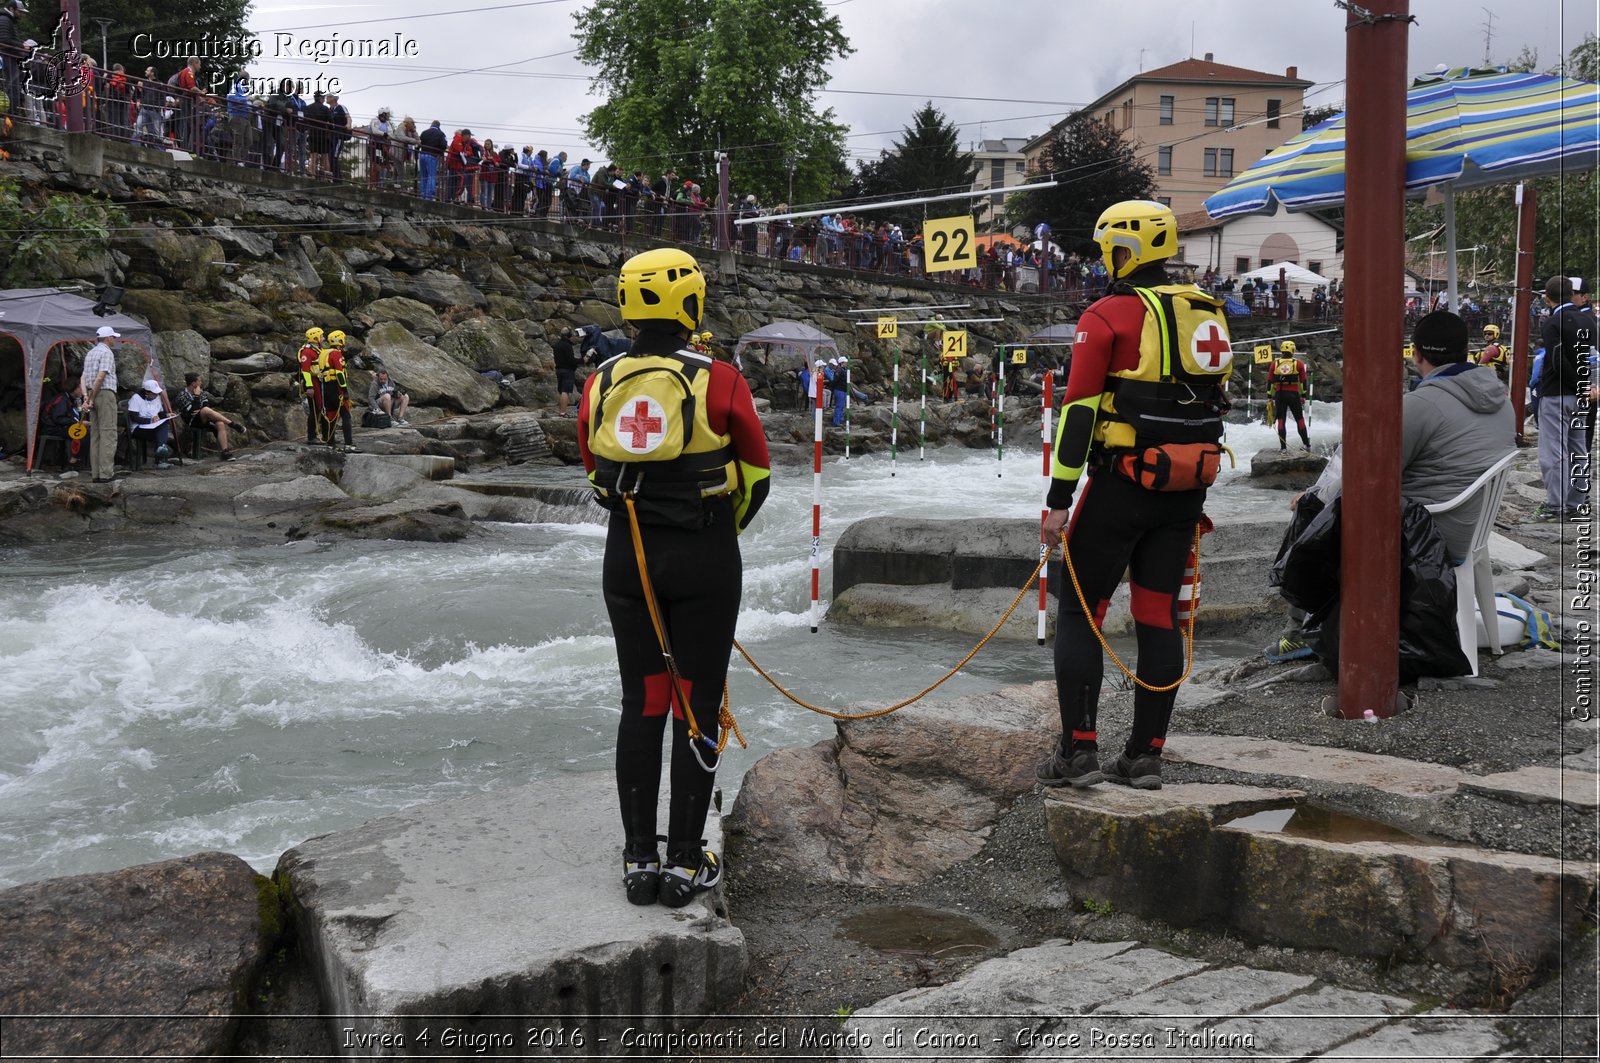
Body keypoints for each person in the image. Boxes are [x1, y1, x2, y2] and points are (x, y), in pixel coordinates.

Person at [578, 247, 770, 908]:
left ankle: (639, 859)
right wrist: (718, 530)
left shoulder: (600, 379)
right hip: (704, 558)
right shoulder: (720, 378)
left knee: (644, 702)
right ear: (689, 303)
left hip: (627, 560)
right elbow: (758, 474)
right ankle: (685, 862)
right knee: (697, 703)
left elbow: (593, 472)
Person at [1037, 200, 1233, 792]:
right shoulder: (1210, 313)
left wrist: (1058, 499)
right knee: (1156, 614)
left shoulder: (1107, 315)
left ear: (1129, 249)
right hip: (1185, 489)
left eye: (1111, 248)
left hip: (1122, 486)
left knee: (1079, 609)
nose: (1107, 258)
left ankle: (1078, 752)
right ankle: (1145, 754)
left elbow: (1077, 414)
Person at [1265, 310, 1517, 662]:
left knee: (1313, 511)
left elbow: (1367, 476)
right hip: (1473, 529)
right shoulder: (1501, 400)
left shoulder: (1420, 405)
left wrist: (1313, 497)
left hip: (1429, 536)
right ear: (1466, 351)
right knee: (1325, 498)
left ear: (1416, 354)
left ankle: (1298, 632)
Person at [1536, 276, 1593, 521]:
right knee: (1578, 448)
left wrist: (1577, 384)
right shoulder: (1591, 320)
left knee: (1554, 451)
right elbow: (1595, 357)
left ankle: (1555, 504)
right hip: (1583, 396)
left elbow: (1558, 359)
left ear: (1548, 298)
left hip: (1557, 393)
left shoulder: (1552, 323)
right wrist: (1589, 386)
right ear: (1572, 294)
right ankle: (1576, 502)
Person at [79, 324, 120, 483]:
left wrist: (86, 397)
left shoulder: (90, 353)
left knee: (95, 434)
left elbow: (83, 378)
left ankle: (96, 474)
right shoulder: (106, 352)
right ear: (108, 338)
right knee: (108, 433)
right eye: (113, 337)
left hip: (90, 392)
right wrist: (91, 397)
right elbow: (101, 376)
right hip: (104, 393)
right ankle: (106, 474)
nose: (114, 340)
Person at [173, 371, 241, 458]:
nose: (201, 383)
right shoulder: (182, 396)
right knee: (205, 410)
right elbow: (191, 411)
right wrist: (197, 397)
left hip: (203, 419)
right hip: (191, 421)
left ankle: (225, 452)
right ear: (194, 383)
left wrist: (199, 407)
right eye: (199, 381)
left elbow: (206, 404)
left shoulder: (201, 392)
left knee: (220, 423)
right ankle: (232, 424)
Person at [1268, 340, 1312, 451]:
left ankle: (1283, 448)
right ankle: (1307, 445)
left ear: (1282, 350)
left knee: (1281, 420)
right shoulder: (1298, 363)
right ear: (1292, 350)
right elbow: (1303, 382)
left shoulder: (1275, 363)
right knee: (1299, 419)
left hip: (1280, 395)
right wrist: (1304, 396)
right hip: (1293, 395)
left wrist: (1269, 397)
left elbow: (1270, 382)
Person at [316, 329, 355, 450]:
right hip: (336, 388)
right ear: (340, 340)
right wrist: (345, 390)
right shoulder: (336, 354)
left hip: (326, 388)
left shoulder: (324, 352)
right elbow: (339, 373)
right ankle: (348, 444)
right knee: (346, 415)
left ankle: (330, 443)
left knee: (331, 415)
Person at [127, 378, 175, 469]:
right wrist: (150, 421)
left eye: (157, 393)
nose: (156, 395)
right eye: (154, 393)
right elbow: (134, 417)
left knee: (163, 424)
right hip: (139, 428)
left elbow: (160, 413)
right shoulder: (136, 398)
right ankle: (160, 459)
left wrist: (166, 415)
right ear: (147, 392)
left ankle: (161, 451)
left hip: (153, 426)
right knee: (161, 431)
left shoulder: (157, 398)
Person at [297, 326, 324, 443]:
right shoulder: (307, 352)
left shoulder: (317, 349)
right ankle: (311, 436)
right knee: (314, 410)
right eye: (321, 336)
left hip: (320, 381)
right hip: (312, 382)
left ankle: (325, 434)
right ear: (315, 338)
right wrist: (309, 387)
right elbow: (306, 371)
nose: (324, 338)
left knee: (321, 407)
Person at [552, 327, 580, 417]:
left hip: (559, 370)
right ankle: (563, 413)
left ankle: (561, 411)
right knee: (565, 391)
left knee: (561, 391)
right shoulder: (567, 346)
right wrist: (582, 360)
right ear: (569, 335)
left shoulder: (557, 345)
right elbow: (571, 360)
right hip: (567, 371)